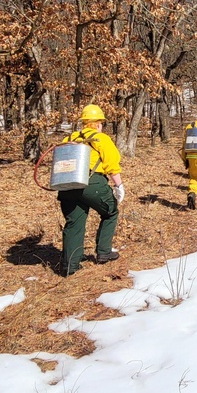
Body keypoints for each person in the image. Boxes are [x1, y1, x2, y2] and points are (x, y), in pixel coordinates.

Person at [57, 104, 124, 276]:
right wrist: (119, 185)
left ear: (84, 122)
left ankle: (70, 266)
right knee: (111, 211)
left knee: (74, 223)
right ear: (99, 123)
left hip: (68, 185)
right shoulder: (100, 138)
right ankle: (104, 251)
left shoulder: (69, 138)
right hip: (92, 182)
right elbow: (112, 164)